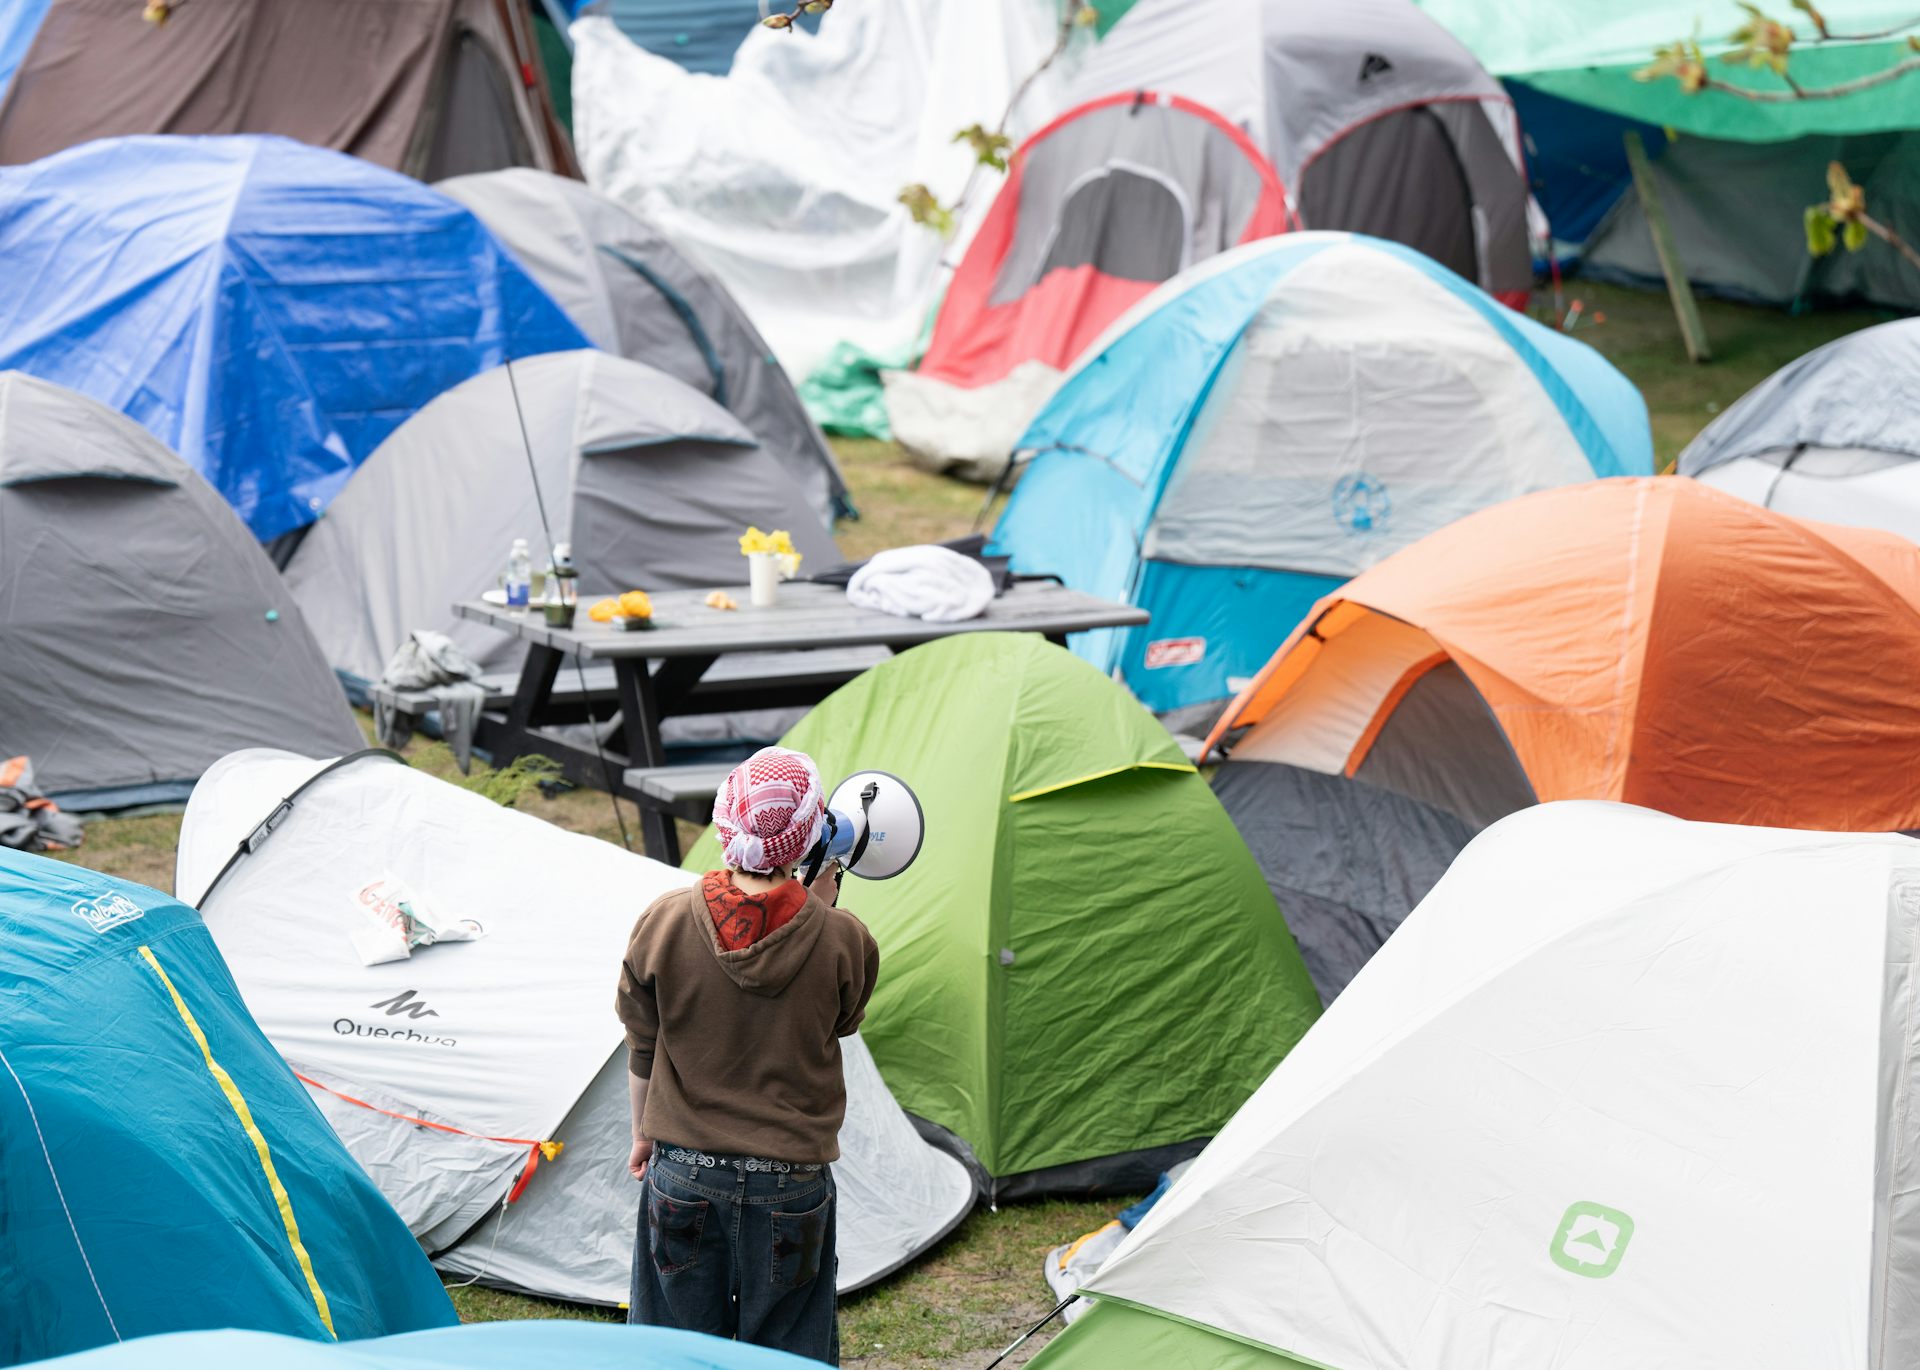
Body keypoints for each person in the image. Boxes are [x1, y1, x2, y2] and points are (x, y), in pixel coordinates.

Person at [617, 746, 879, 1365]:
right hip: (792, 1183)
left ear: (725, 821)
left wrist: (642, 1136)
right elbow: (839, 1021)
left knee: (672, 1352)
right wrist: (822, 914)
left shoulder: (664, 921)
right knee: (788, 1351)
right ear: (810, 834)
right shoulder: (845, 939)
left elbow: (643, 1045)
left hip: (683, 1168)